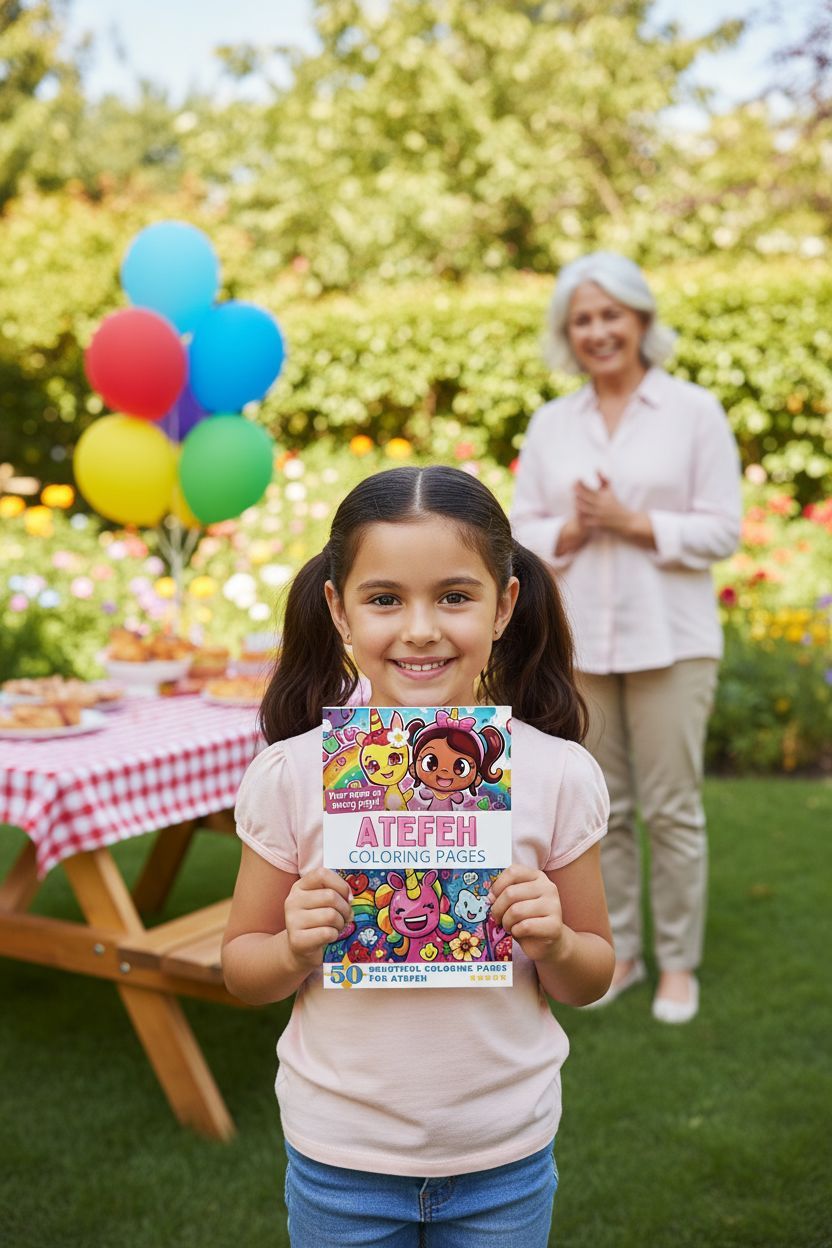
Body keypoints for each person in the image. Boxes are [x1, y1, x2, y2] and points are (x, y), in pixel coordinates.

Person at [222, 464, 614, 1247]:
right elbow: (242, 969)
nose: (421, 629)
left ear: (505, 605)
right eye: (385, 599)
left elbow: (591, 975)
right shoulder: (293, 774)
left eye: (455, 596)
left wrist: (558, 943)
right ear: (339, 610)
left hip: (504, 1154)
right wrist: (294, 946)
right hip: (342, 1155)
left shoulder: (558, 774)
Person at [510, 251, 741, 1025]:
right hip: (580, 645)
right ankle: (622, 953)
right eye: (583, 319)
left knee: (672, 809)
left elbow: (722, 529)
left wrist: (633, 522)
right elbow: (520, 530)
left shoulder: (694, 412)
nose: (598, 331)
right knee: (596, 810)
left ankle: (676, 962)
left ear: (640, 319)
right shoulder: (551, 424)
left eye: (611, 314)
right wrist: (574, 529)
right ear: (567, 333)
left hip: (673, 641)